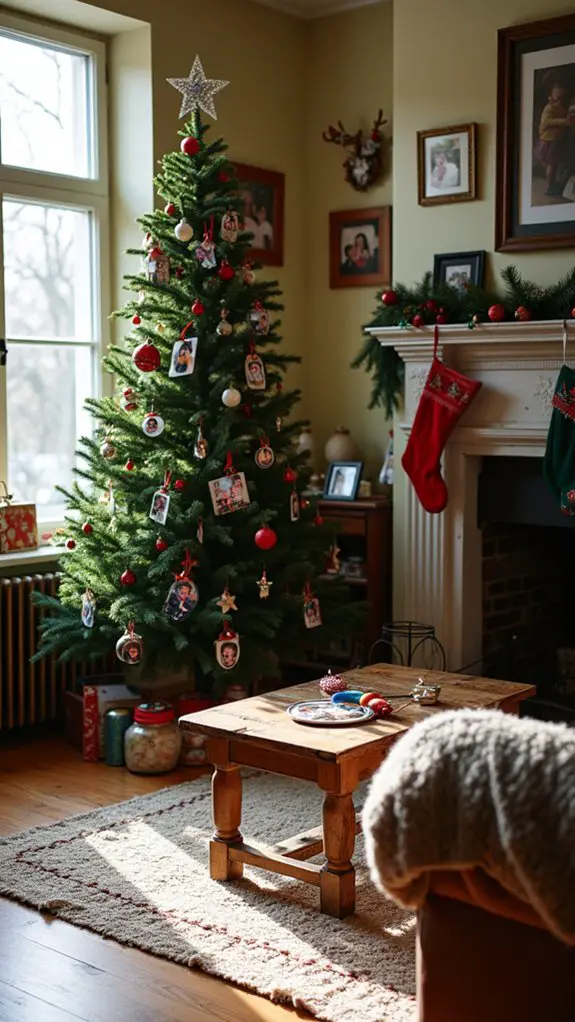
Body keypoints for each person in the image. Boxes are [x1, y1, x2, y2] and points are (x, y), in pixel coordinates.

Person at [536, 83, 568, 197]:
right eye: (557, 97)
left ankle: (553, 185)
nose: (559, 100)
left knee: (554, 165)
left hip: (555, 139)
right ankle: (550, 186)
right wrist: (565, 121)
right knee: (551, 165)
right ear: (551, 96)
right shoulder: (548, 108)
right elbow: (546, 122)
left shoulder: (558, 106)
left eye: (561, 97)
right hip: (549, 141)